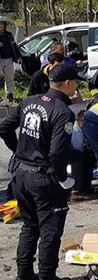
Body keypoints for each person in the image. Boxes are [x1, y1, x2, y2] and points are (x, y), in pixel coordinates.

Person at [0, 64, 83, 280]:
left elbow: (4, 127)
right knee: (50, 230)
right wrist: (64, 179)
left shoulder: (29, 101)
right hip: (43, 179)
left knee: (29, 226)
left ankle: (24, 274)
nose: (76, 86)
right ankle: (47, 276)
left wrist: (19, 151)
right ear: (67, 84)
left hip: (20, 176)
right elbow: (57, 153)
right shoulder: (63, 112)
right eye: (75, 82)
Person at [0, 16, 21, 102]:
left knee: (9, 78)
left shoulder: (9, 35)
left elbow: (14, 46)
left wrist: (18, 56)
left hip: (8, 59)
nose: (0, 26)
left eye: (1, 24)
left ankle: (10, 95)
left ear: (5, 25)